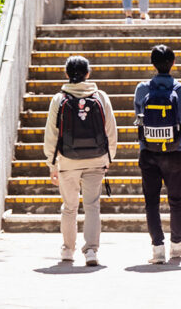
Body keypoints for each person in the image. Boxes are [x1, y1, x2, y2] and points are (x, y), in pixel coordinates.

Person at [43, 56, 118, 267]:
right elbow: (111, 129)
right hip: (96, 159)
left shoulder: (59, 99)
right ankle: (91, 251)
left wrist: (52, 164)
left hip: (68, 161)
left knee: (69, 207)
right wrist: (109, 156)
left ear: (66, 74)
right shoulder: (100, 97)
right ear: (88, 73)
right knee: (92, 206)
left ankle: (68, 250)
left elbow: (51, 134)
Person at [133, 45, 181, 263]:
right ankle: (177, 245)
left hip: (148, 151)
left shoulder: (142, 89)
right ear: (173, 63)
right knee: (176, 200)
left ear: (152, 64)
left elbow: (138, 119)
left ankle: (157, 249)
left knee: (151, 202)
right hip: (174, 151)